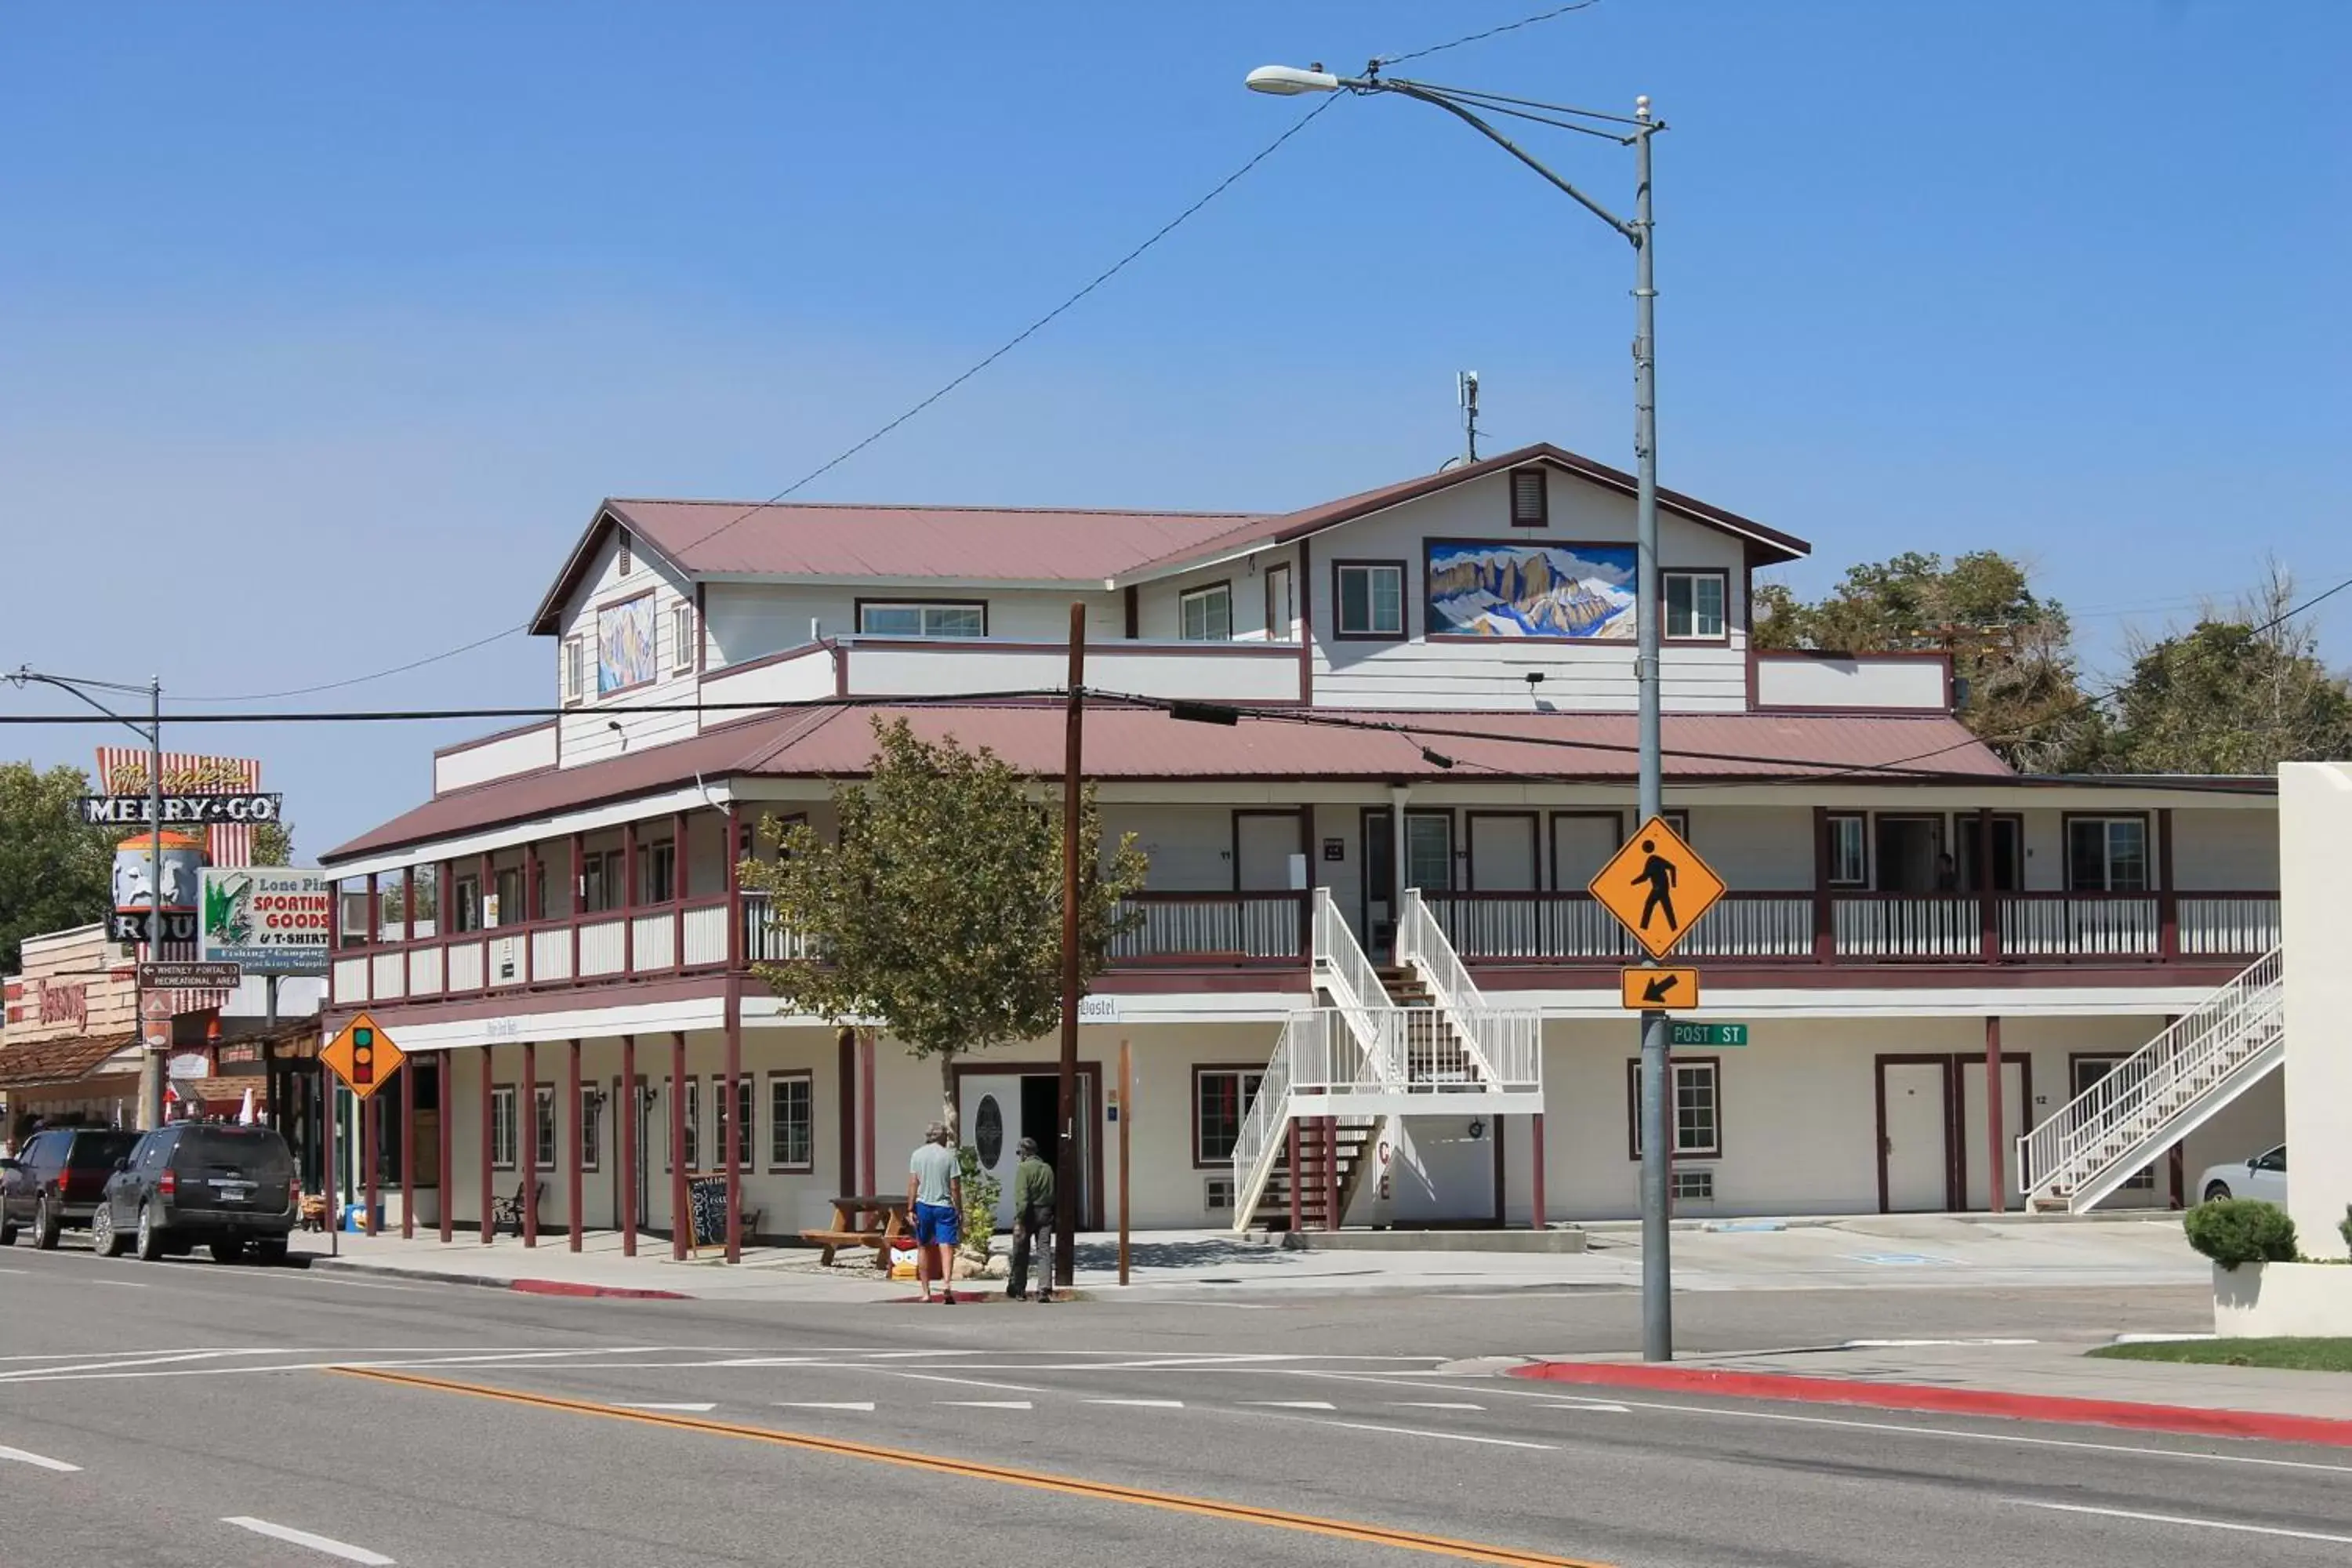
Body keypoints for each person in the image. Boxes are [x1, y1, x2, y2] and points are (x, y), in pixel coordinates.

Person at [906, 1123, 964, 1305]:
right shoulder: (949, 1156)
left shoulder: (917, 1155)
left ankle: (925, 1292)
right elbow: (955, 1186)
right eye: (946, 1134)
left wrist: (910, 1208)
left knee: (923, 1246)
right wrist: (959, 1208)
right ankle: (946, 1283)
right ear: (942, 1137)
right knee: (946, 1246)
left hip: (923, 1205)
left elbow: (913, 1183)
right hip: (944, 1206)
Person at [1006, 1137, 1057, 1303]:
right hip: (1046, 1211)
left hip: (1029, 1212)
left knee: (1021, 1250)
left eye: (1019, 1152)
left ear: (1024, 1152)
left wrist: (1019, 1220)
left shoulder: (1024, 1169)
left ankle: (1019, 1288)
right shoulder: (1047, 1168)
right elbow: (1051, 1193)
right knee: (1044, 1250)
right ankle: (1044, 1288)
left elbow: (1022, 1197)